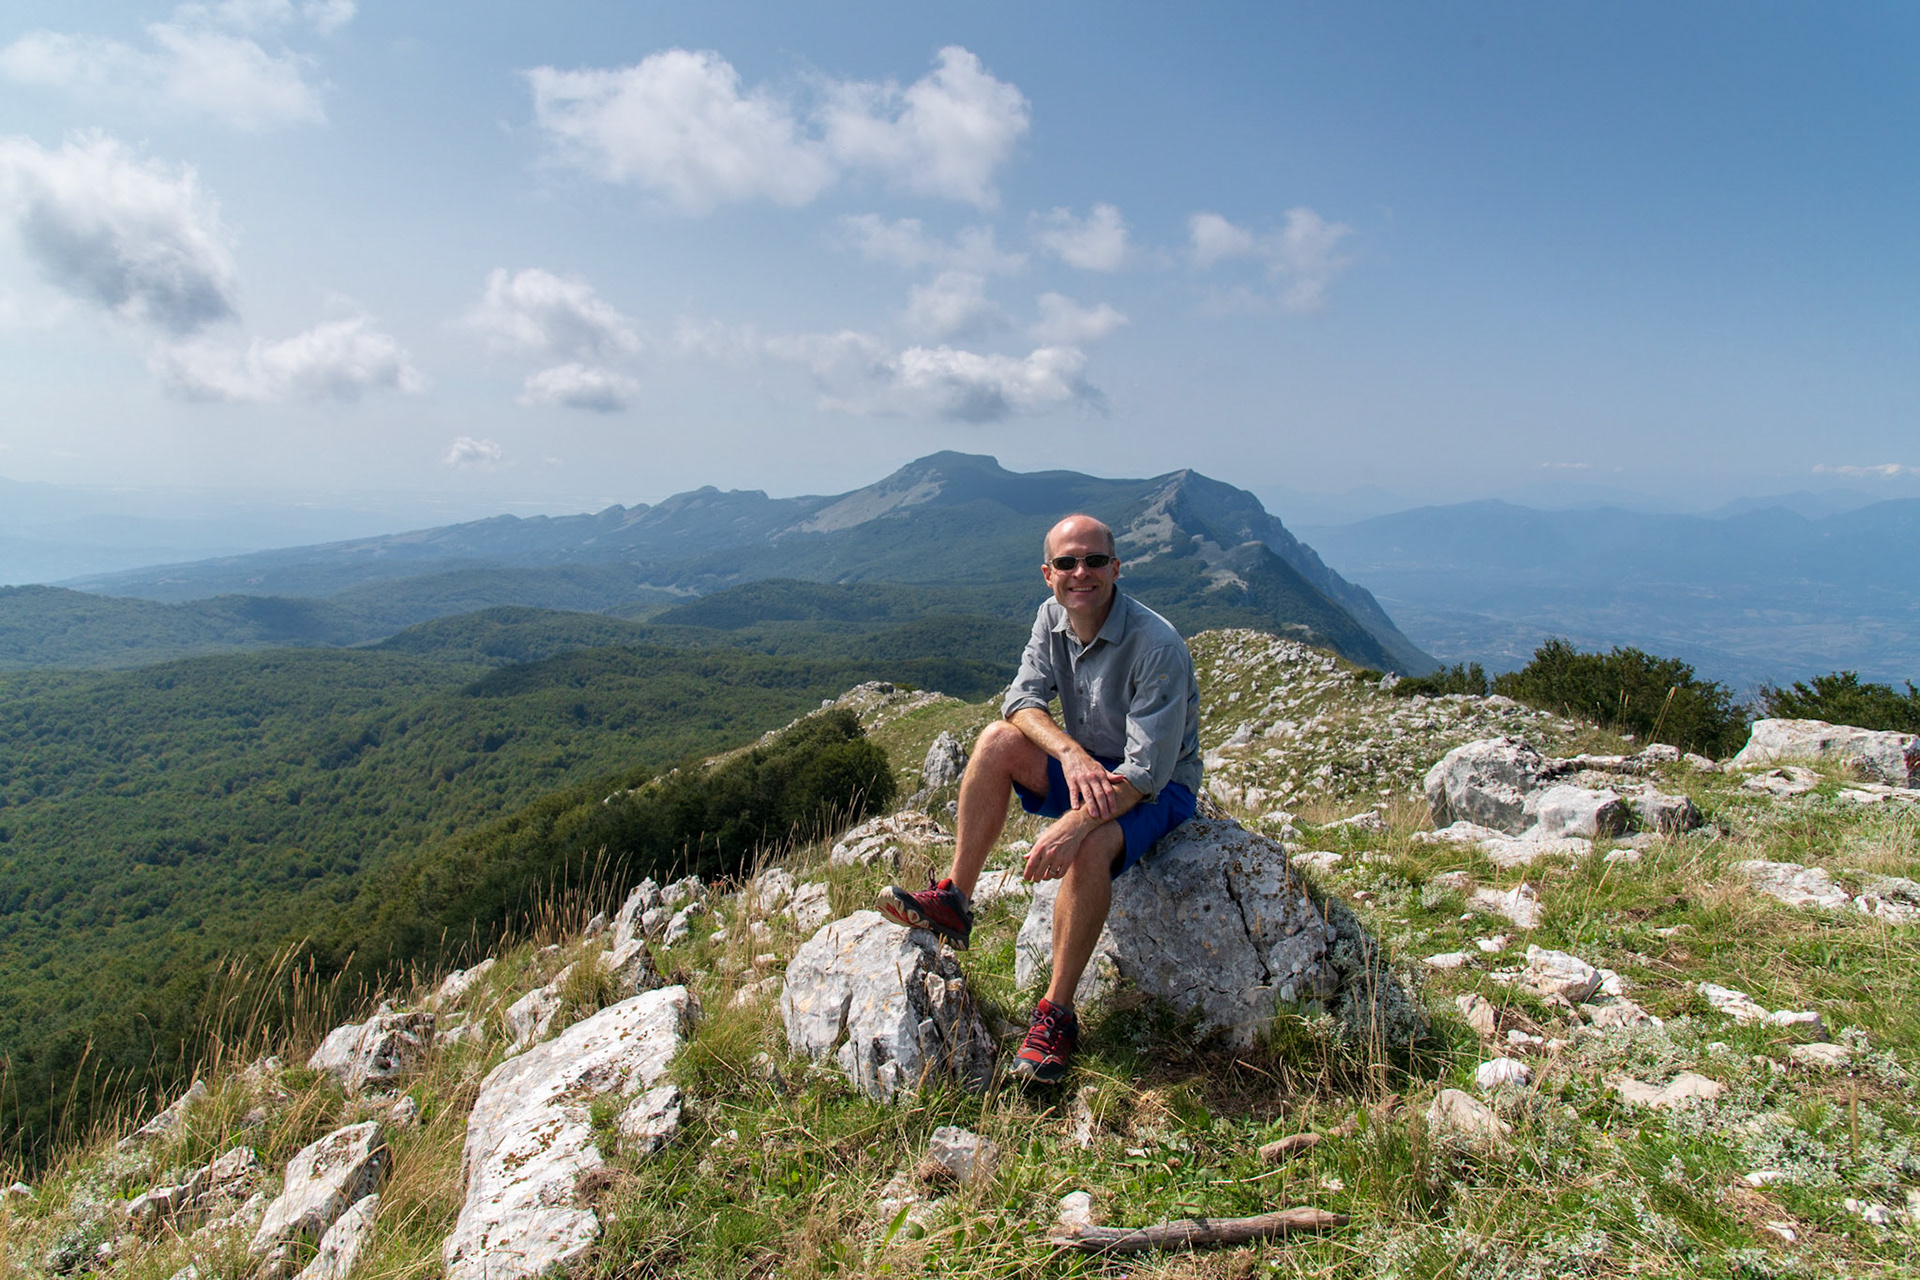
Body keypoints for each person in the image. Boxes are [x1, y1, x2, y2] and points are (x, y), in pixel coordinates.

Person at [877, 513, 1202, 1084]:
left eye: (1094, 561)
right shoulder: (1051, 617)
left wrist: (1074, 825)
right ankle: (954, 900)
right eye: (1067, 563)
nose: (1081, 573)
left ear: (1116, 568)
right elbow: (1020, 702)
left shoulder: (1157, 646)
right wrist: (1070, 754)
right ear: (1047, 574)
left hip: (1158, 788)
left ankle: (1056, 1014)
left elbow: (1146, 771)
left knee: (1091, 843)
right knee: (996, 741)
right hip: (1090, 766)